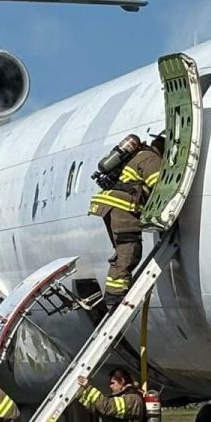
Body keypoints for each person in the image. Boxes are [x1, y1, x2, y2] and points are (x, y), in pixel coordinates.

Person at [88, 131, 165, 309]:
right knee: (129, 251)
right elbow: (158, 184)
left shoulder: (137, 156)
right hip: (122, 208)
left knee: (122, 250)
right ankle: (115, 296)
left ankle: (115, 290)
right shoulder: (150, 159)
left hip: (108, 206)